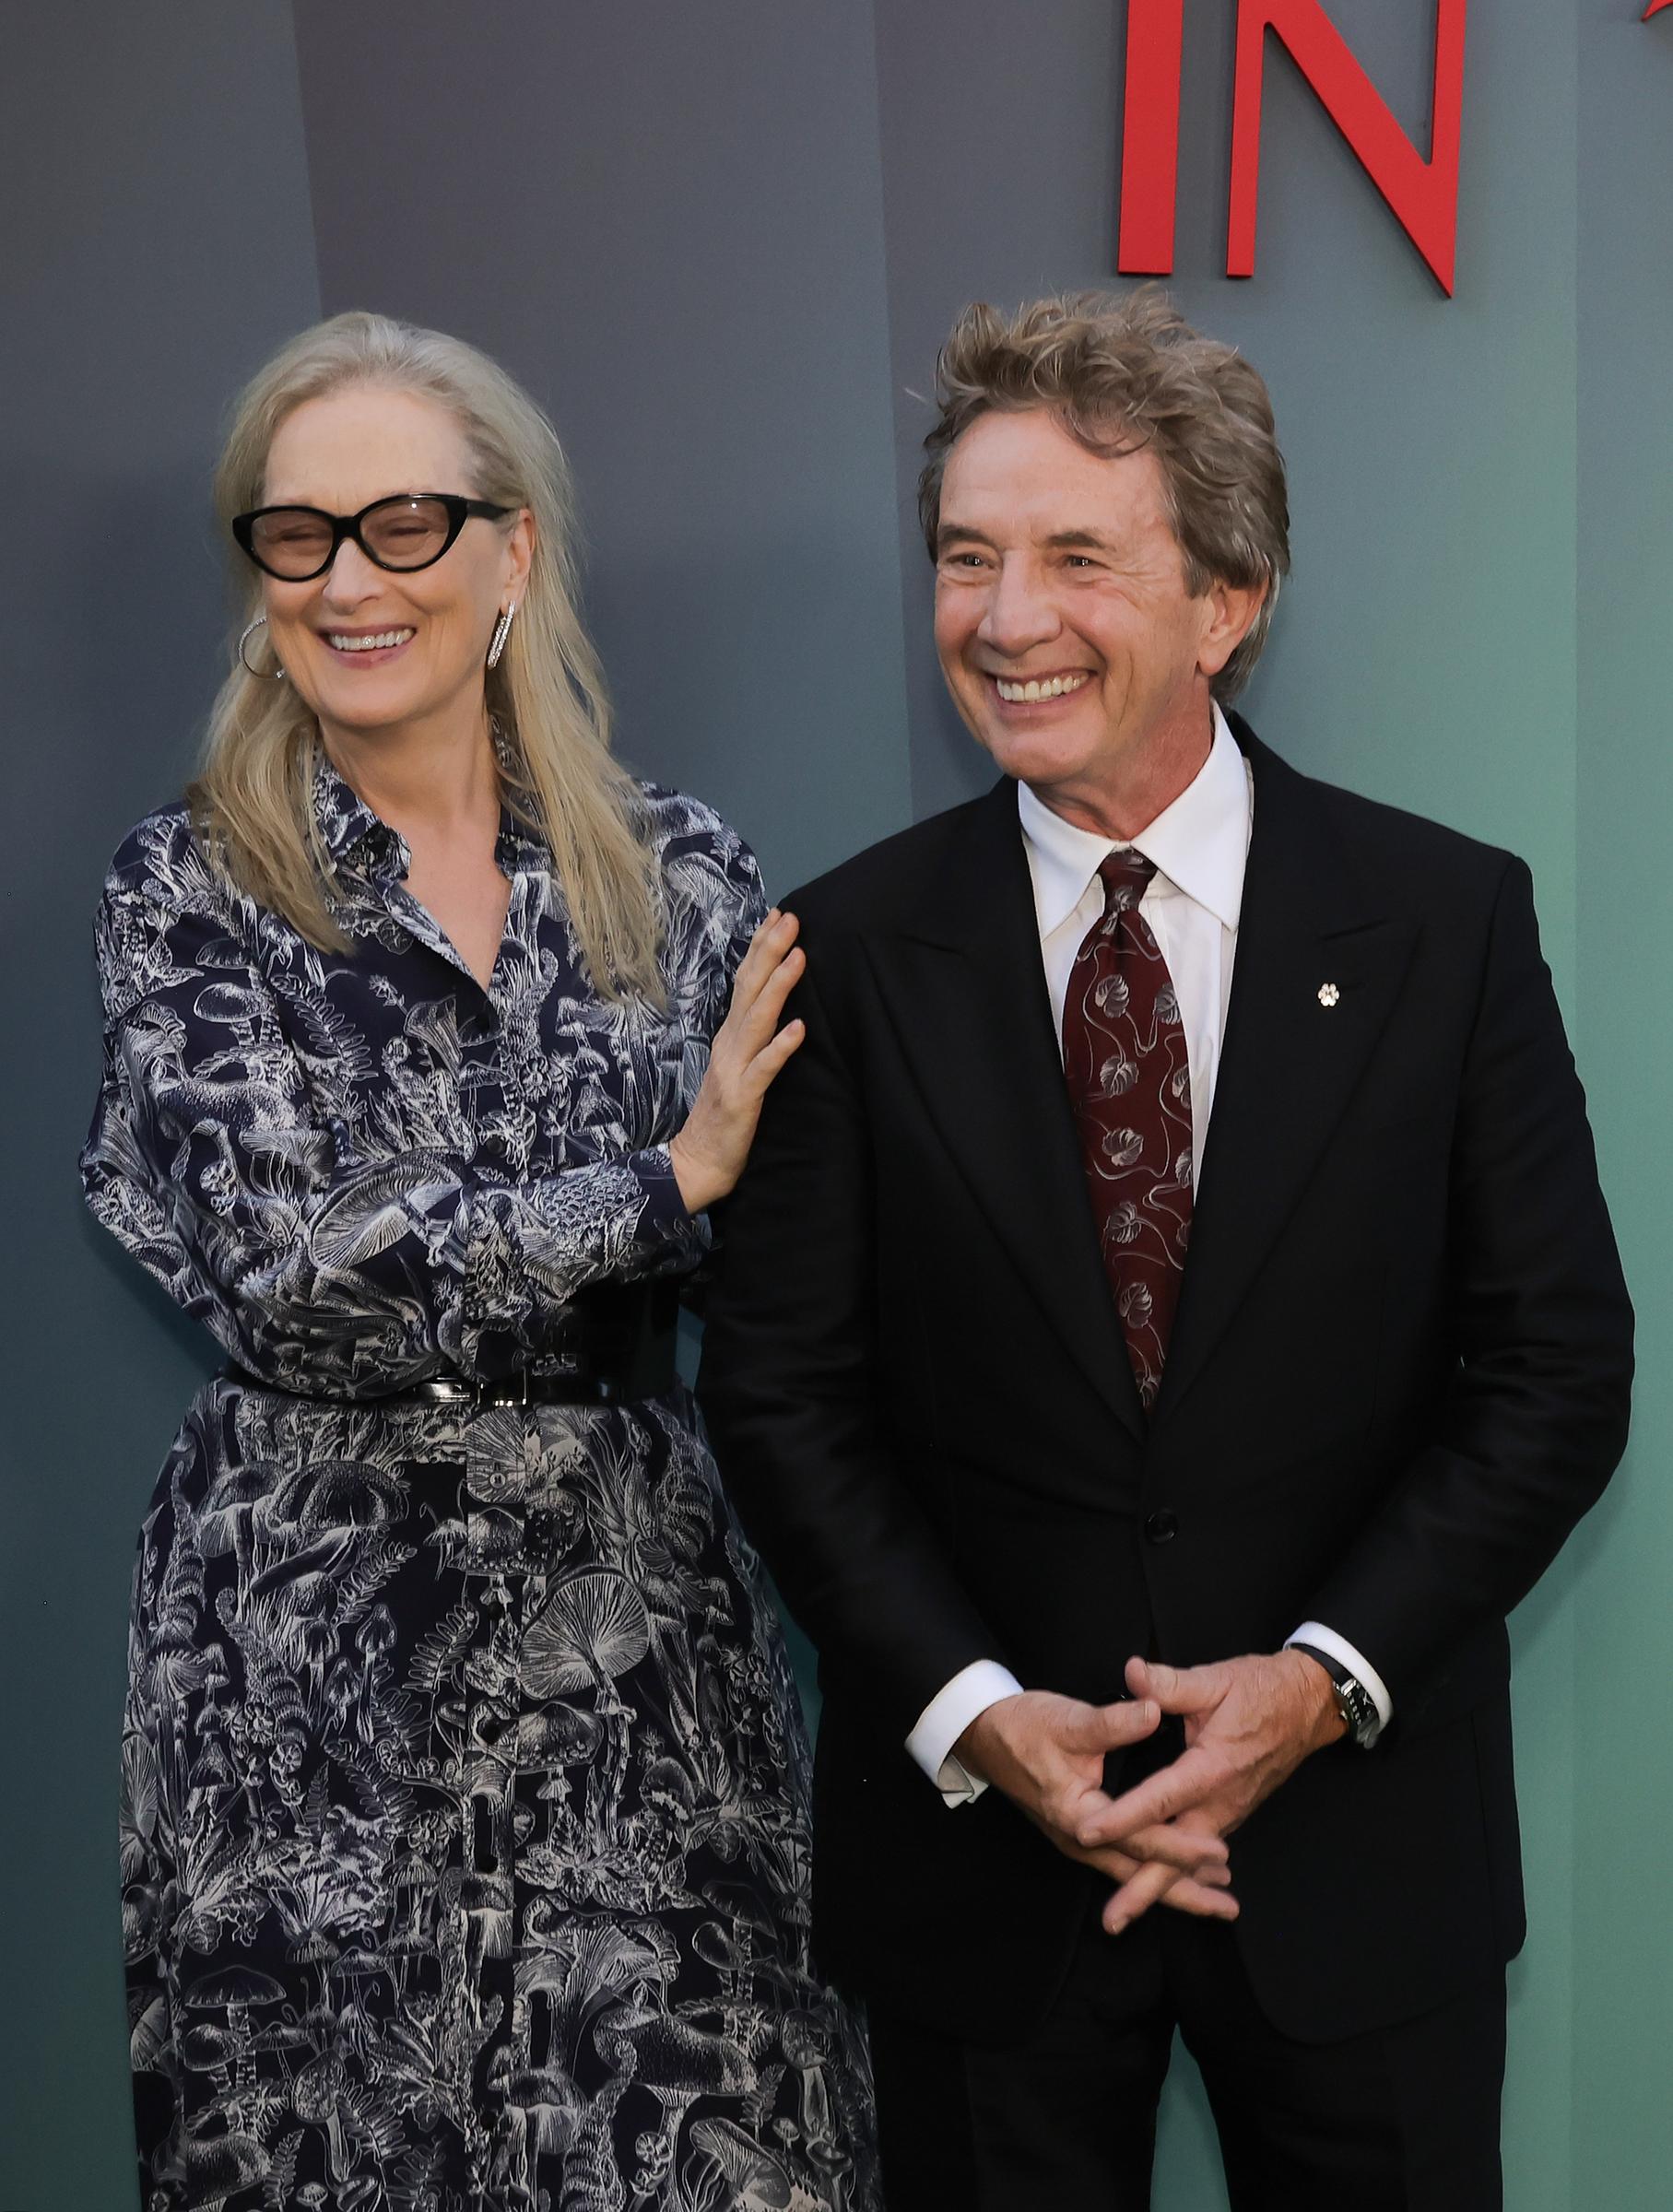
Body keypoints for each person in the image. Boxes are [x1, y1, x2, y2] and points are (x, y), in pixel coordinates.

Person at [698, 290, 1633, 2210]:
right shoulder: (846, 956)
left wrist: (1315, 1679)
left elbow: (1549, 1370)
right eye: (965, 556)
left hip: (1359, 1873)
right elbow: (785, 1396)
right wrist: (976, 1719)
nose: (1002, 616)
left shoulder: (1439, 922)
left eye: (1070, 557)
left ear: (1226, 598)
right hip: (981, 1880)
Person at [81, 311, 879, 2212]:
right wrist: (659, 1181)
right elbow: (297, 1278)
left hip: (639, 1668)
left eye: (404, 525)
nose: (350, 580)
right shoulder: (184, 887)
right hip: (306, 1674)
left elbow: (789, 1258)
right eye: (297, 536)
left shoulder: (680, 874)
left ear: (512, 552)